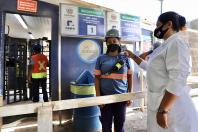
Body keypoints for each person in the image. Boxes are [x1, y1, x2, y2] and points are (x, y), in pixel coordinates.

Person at [126, 11, 198, 132]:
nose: (156, 29)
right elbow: (149, 67)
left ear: (168, 24)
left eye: (158, 25)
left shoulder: (177, 42)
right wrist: (132, 56)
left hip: (172, 108)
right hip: (160, 103)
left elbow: (178, 78)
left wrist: (163, 109)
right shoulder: (165, 45)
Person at [94, 28, 133, 132]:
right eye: (109, 41)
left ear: (119, 42)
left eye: (114, 41)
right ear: (106, 43)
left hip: (121, 97)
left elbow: (129, 77)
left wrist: (129, 95)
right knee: (106, 127)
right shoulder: (100, 59)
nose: (112, 43)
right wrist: (98, 97)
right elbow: (97, 78)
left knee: (119, 126)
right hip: (105, 98)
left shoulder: (125, 58)